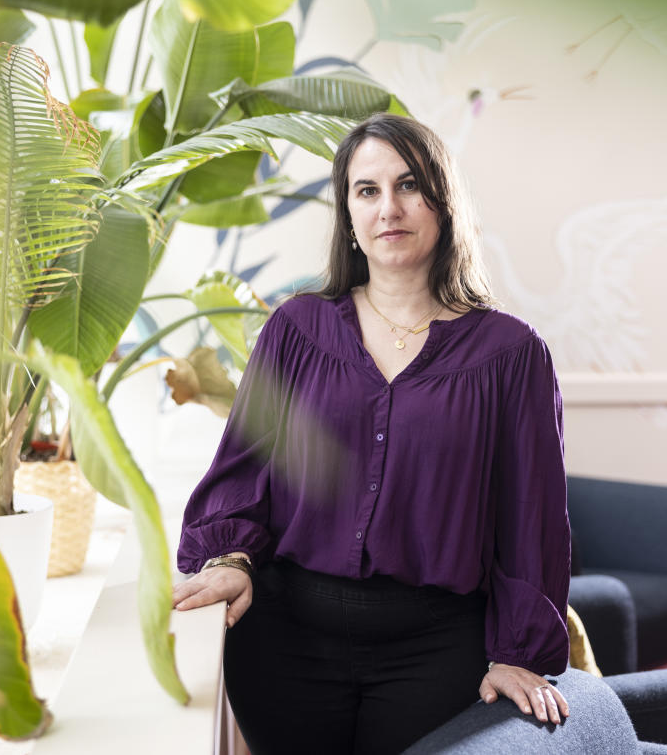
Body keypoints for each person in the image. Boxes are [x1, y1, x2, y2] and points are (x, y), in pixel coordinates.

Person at [172, 113, 571, 755]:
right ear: (349, 214)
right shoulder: (296, 331)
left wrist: (517, 651)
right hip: (285, 642)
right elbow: (243, 474)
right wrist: (228, 559)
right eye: (367, 190)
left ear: (442, 201)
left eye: (409, 185)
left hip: (437, 651)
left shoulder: (511, 353)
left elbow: (533, 517)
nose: (389, 207)